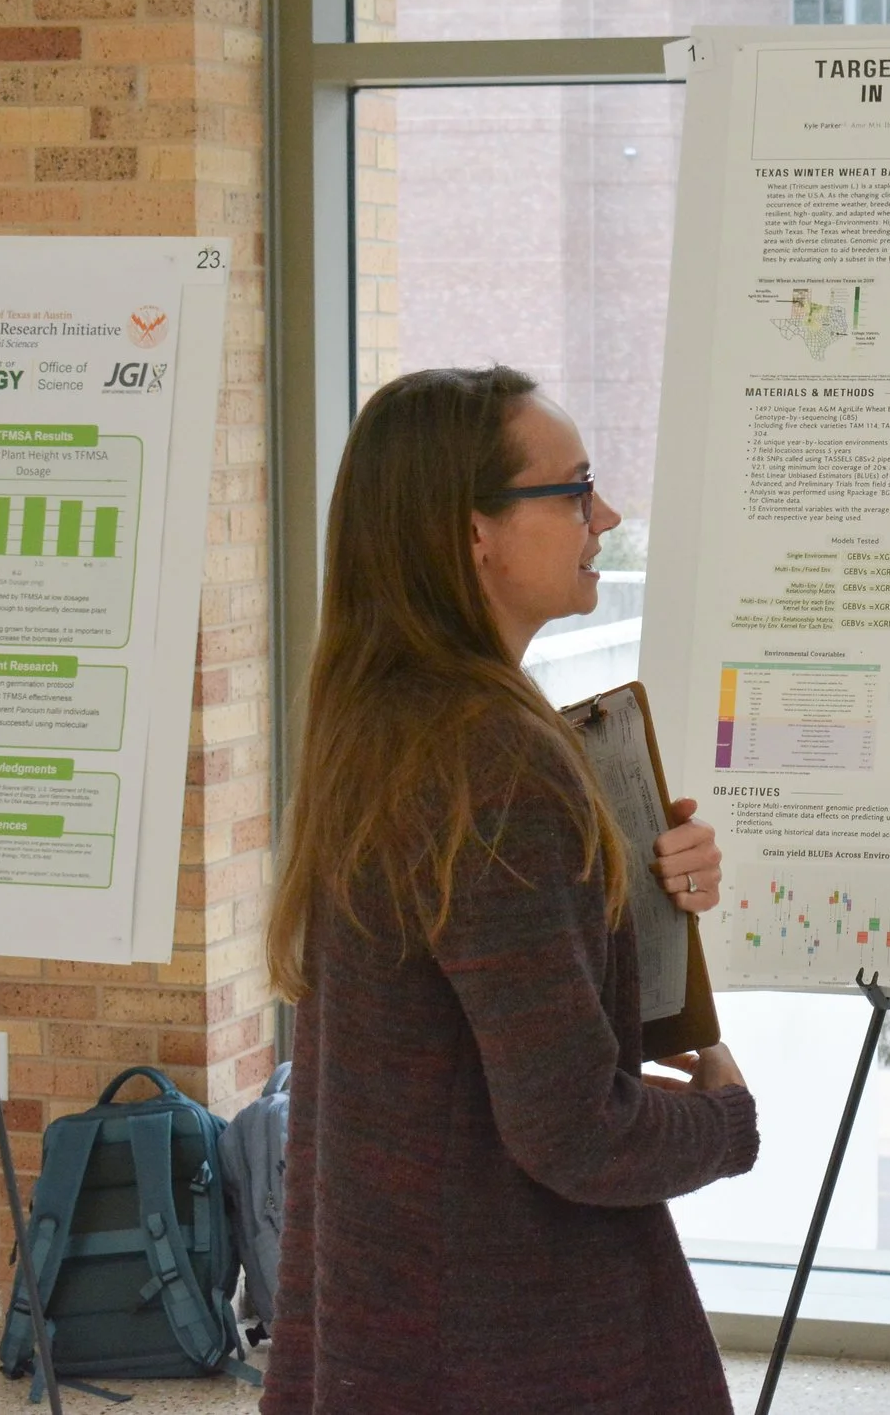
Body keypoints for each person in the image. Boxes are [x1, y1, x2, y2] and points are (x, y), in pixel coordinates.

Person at [262, 366, 757, 1414]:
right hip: (503, 1336)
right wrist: (725, 1117)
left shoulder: (393, 725)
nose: (606, 516)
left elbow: (483, 1027)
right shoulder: (495, 763)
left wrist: (630, 895)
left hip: (399, 1310)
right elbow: (575, 1131)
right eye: (573, 489)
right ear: (474, 531)